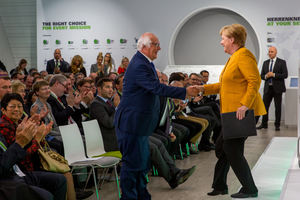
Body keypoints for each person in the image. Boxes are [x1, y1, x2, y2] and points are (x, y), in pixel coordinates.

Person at [113, 32, 199, 200]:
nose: (159, 48)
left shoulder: (147, 63)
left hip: (140, 124)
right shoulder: (139, 65)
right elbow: (157, 88)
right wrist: (184, 92)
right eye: (156, 44)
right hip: (131, 123)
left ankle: (142, 195)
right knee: (132, 165)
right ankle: (130, 197)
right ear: (144, 47)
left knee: (141, 164)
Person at [197, 24, 266, 198]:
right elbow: (223, 85)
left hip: (241, 112)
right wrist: (202, 89)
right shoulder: (234, 57)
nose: (221, 42)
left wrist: (244, 104)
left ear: (232, 39)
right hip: (232, 114)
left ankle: (250, 188)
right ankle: (220, 185)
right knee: (221, 146)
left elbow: (255, 81)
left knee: (232, 150)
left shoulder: (244, 55)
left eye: (223, 38)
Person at [256, 46, 288, 131]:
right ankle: (264, 124)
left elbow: (285, 75)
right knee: (265, 107)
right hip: (268, 89)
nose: (270, 53)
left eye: (271, 52)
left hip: (277, 89)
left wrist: (273, 75)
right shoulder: (265, 63)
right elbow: (261, 75)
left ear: (276, 52)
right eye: (269, 52)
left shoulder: (282, 62)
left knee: (278, 107)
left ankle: (277, 125)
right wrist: (266, 76)